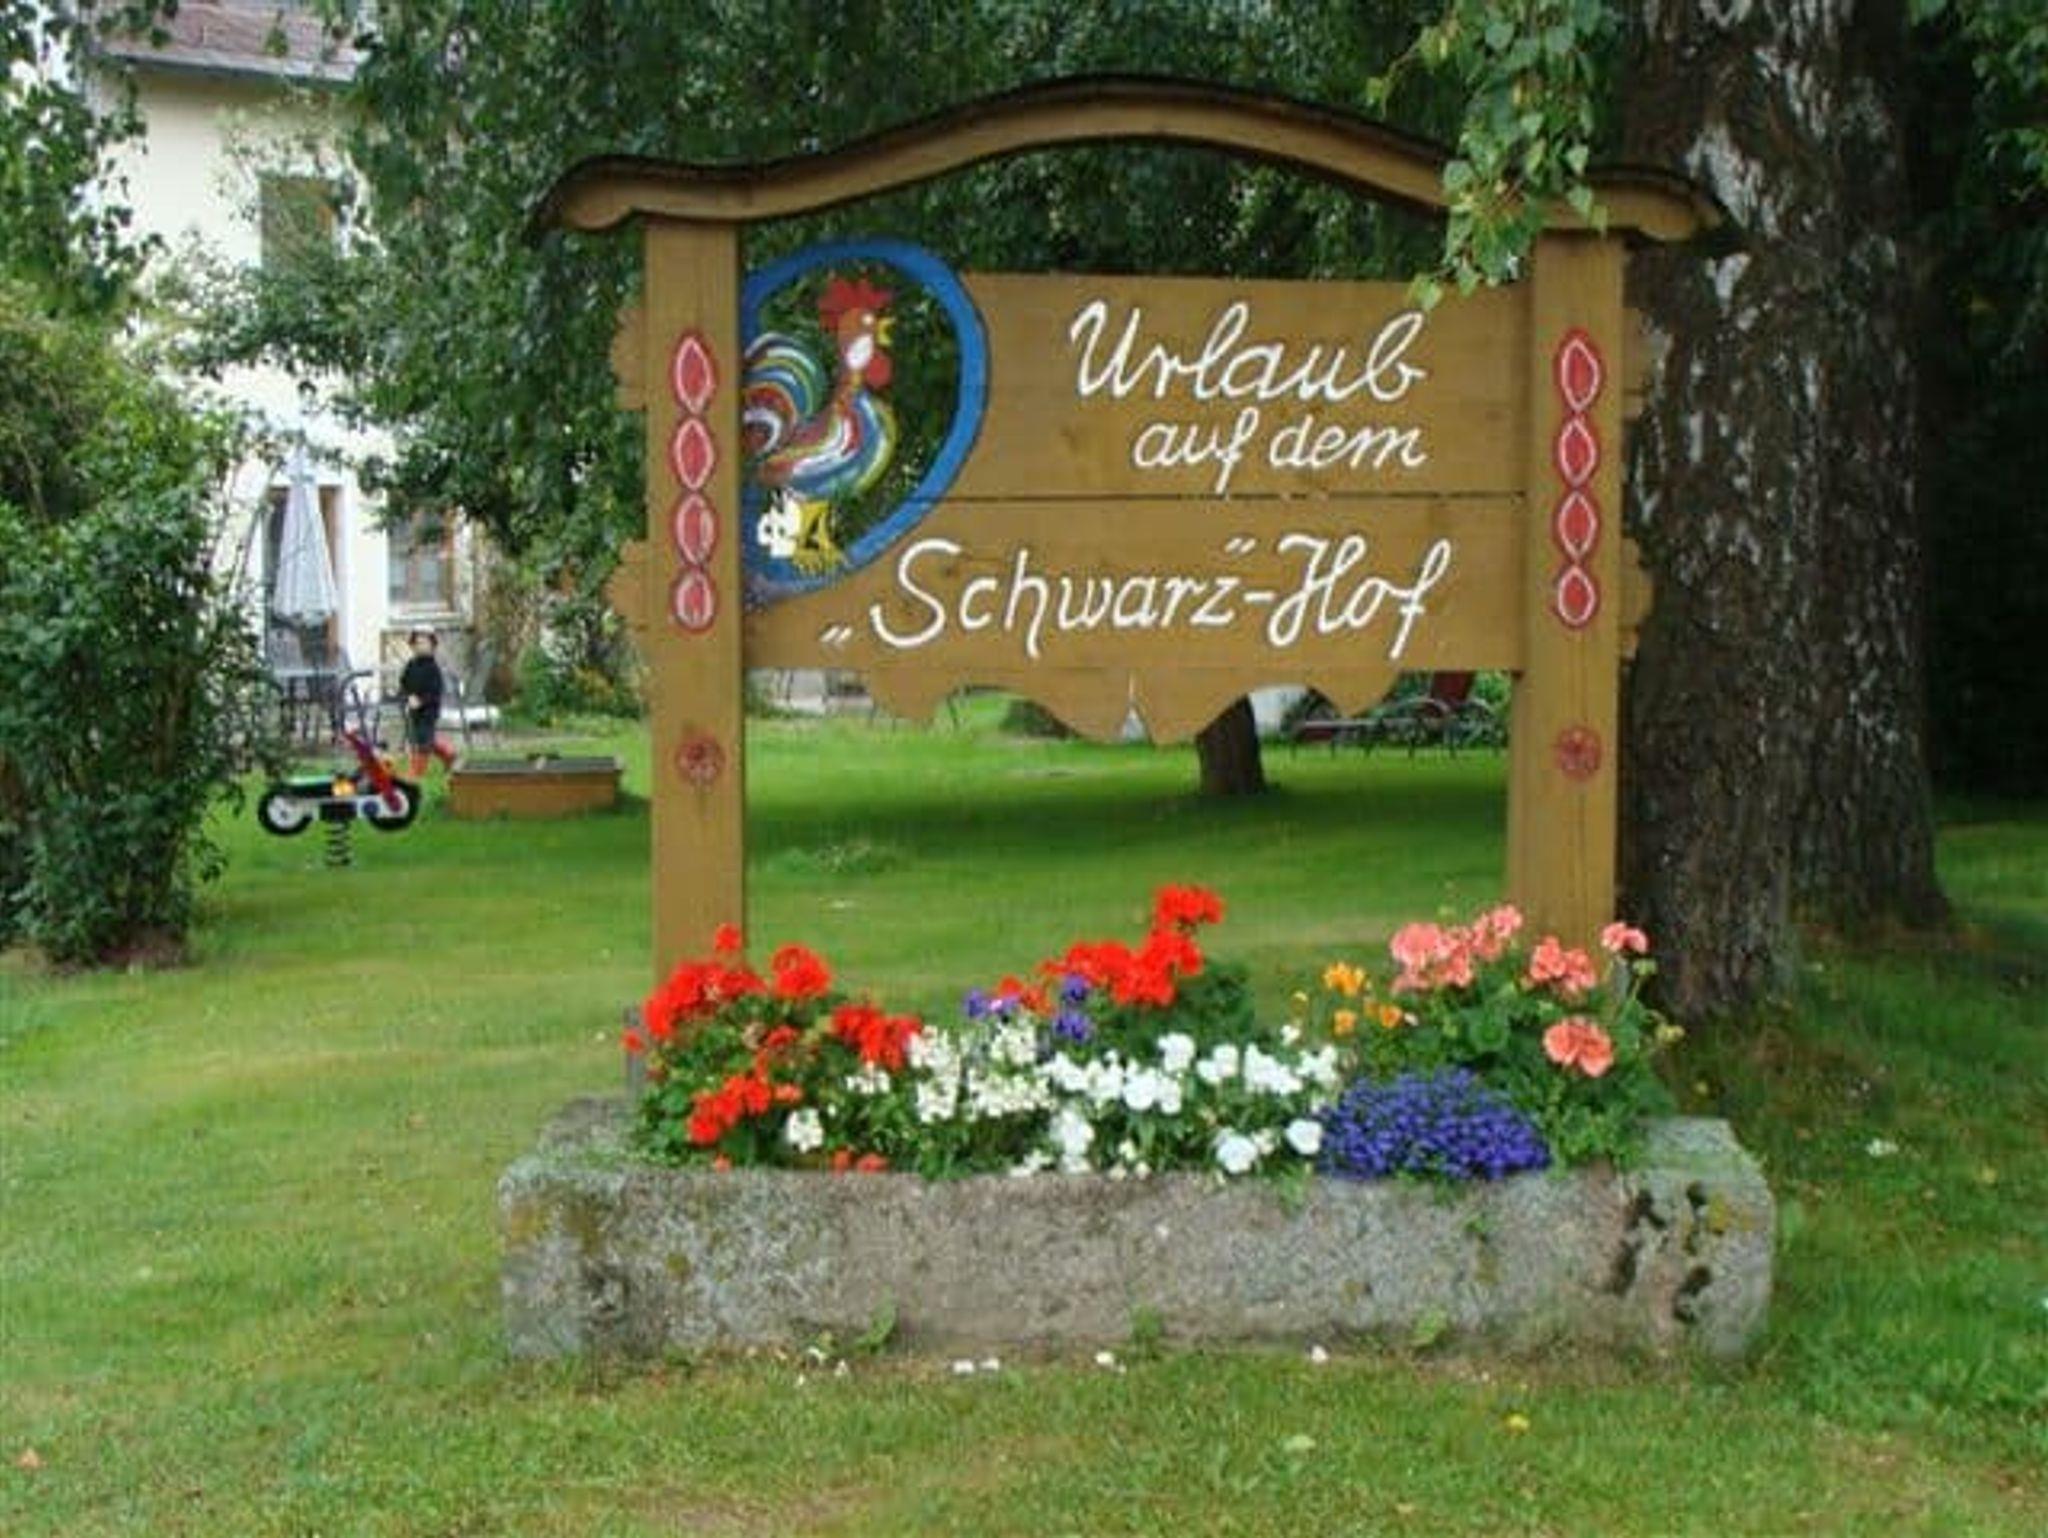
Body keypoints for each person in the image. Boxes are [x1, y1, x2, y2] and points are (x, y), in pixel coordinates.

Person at [399, 628, 458, 777]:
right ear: (412, 646)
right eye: (418, 643)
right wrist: (408, 696)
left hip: (429, 711)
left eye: (425, 643)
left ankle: (417, 771)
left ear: (432, 646)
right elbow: (404, 683)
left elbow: (435, 692)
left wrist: (422, 701)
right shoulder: (411, 665)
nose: (421, 646)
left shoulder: (433, 668)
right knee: (420, 737)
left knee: (423, 740)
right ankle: (448, 753)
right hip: (414, 710)